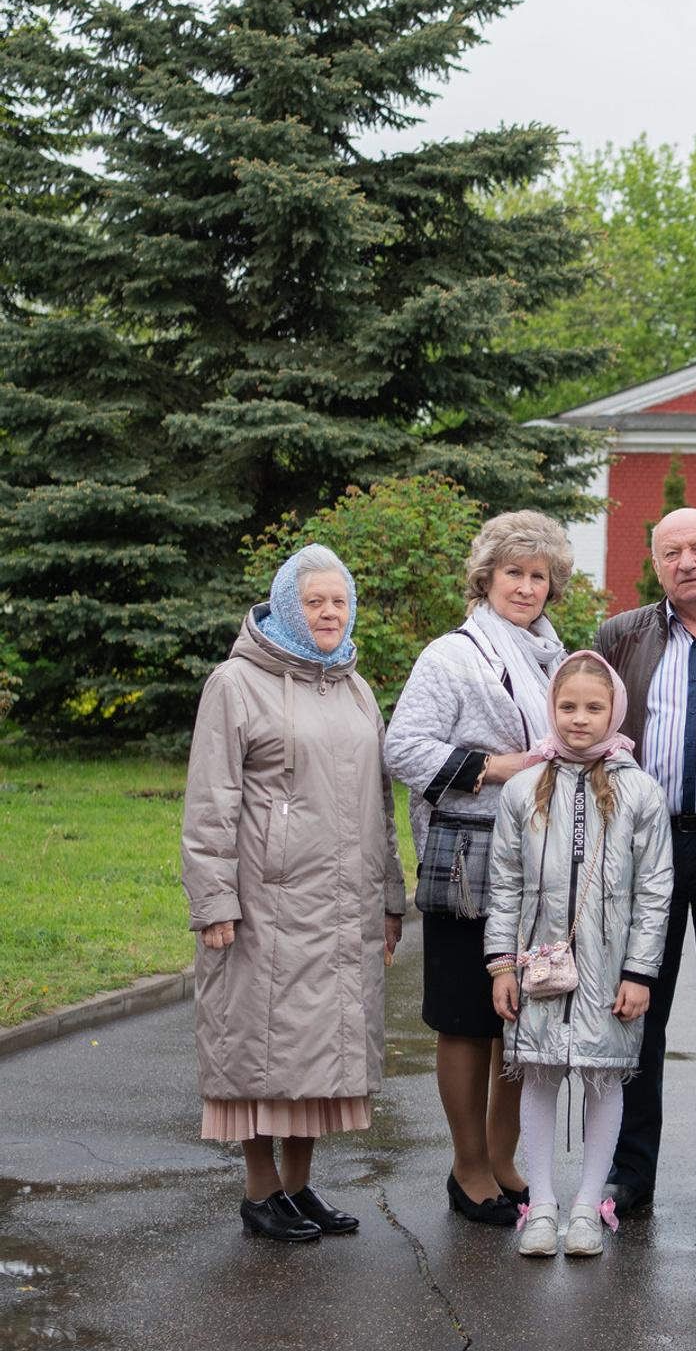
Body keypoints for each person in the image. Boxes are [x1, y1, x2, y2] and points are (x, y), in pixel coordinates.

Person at [182, 544, 406, 1242]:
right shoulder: (235, 683)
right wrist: (213, 899)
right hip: (265, 902)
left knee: (320, 1055)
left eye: (339, 600)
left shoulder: (356, 687)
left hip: (342, 903)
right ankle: (259, 1194)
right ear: (286, 607)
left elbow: (378, 802)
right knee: (260, 1048)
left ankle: (299, 1188)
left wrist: (392, 895)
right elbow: (210, 799)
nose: (329, 613)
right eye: (315, 601)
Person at [385, 510, 575, 1225]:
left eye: (539, 576)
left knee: (515, 1018)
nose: (526, 587)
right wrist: (500, 769)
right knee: (466, 1019)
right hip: (466, 863)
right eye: (513, 573)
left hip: (535, 866)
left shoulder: (551, 657)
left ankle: (503, 1160)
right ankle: (467, 1168)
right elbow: (403, 748)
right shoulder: (451, 655)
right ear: (486, 577)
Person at [594, 507, 696, 1220]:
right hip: (642, 849)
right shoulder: (620, 635)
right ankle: (630, 1172)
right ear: (655, 563)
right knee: (638, 1011)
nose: (687, 561)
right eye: (671, 552)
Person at [486, 651, 674, 1258]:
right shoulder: (522, 789)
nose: (579, 719)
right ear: (551, 708)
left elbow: (654, 889)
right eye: (567, 706)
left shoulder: (639, 791)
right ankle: (540, 1202)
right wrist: (501, 965)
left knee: (602, 1079)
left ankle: (590, 1204)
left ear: (614, 711)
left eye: (594, 708)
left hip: (610, 967)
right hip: (537, 965)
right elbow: (505, 882)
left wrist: (641, 971)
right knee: (538, 1077)